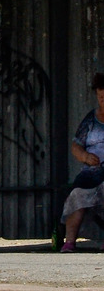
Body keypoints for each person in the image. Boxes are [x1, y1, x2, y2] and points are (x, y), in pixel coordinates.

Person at [59, 72, 104, 252]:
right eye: (100, 97)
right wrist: (85, 157)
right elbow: (76, 146)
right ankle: (69, 242)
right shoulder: (90, 119)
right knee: (76, 195)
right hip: (90, 173)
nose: (103, 101)